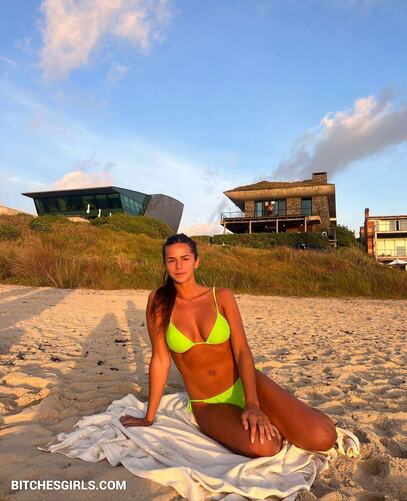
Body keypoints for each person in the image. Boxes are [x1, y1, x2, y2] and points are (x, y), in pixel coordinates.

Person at [119, 233, 337, 458]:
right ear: (165, 264)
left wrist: (252, 404)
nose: (179, 266)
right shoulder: (159, 303)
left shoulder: (221, 297)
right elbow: (160, 360)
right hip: (208, 403)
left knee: (323, 437)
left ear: (196, 261)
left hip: (245, 382)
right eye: (172, 260)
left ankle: (301, 416)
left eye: (185, 258)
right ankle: (282, 419)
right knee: (267, 446)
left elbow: (242, 351)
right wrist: (149, 417)